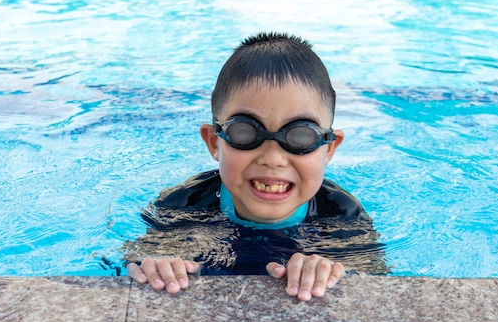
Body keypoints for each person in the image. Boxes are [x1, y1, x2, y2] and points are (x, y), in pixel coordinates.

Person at [125, 32, 385, 301]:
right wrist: (157, 267)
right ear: (214, 142)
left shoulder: (341, 216)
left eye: (300, 136)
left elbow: (378, 283)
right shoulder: (183, 206)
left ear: (328, 148)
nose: (273, 158)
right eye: (245, 132)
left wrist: (333, 272)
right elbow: (131, 266)